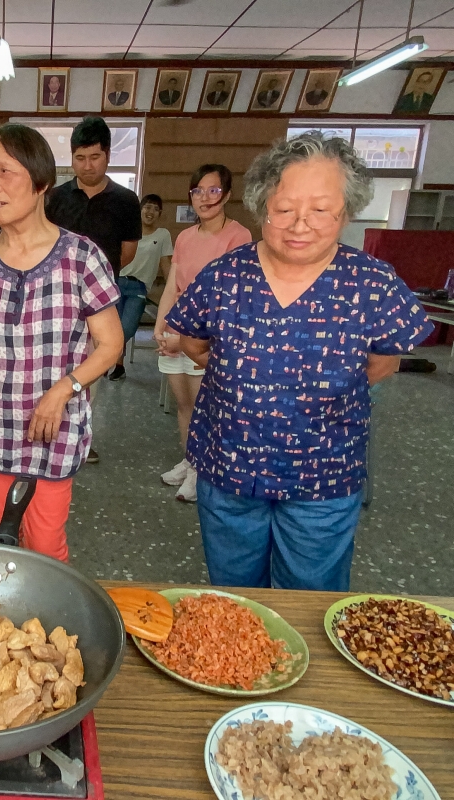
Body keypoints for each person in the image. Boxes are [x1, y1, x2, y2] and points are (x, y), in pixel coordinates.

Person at [167, 132, 433, 591]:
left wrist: (314, 395)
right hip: (230, 465)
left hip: (324, 474)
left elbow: (384, 361)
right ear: (261, 205)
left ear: (346, 212)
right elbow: (192, 340)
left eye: (321, 210)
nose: (300, 224)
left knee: (311, 597)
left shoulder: (371, 282)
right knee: (235, 596)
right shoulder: (225, 275)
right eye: (284, 208)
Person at [0, 124, 123, 563]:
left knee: (43, 544)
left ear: (41, 181)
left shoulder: (81, 258)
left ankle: (47, 621)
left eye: (5, 171)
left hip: (52, 432)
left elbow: (110, 345)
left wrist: (64, 389)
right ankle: (5, 623)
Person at [153, 164, 251, 503]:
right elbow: (172, 287)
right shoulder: (184, 237)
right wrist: (161, 326)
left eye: (213, 190)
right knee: (183, 405)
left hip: (206, 335)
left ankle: (203, 471)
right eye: (198, 191)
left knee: (204, 405)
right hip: (177, 330)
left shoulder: (239, 236)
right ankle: (190, 460)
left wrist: (190, 339)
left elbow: (230, 299)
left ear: (226, 194)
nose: (205, 198)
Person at [45, 116, 141, 458]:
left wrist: (96, 281)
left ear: (108, 155)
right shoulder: (55, 199)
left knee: (95, 367)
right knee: (55, 364)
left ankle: (79, 435)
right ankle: (50, 428)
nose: (87, 166)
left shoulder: (126, 201)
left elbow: (126, 253)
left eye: (95, 157)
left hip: (101, 301)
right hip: (55, 300)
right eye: (80, 158)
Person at [113, 194, 173, 379]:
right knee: (113, 328)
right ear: (140, 210)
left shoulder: (163, 235)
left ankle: (108, 359)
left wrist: (174, 289)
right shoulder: (127, 231)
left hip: (139, 288)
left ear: (160, 213)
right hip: (117, 282)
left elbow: (166, 265)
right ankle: (118, 366)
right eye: (147, 207)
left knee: (127, 329)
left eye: (155, 209)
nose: (150, 212)